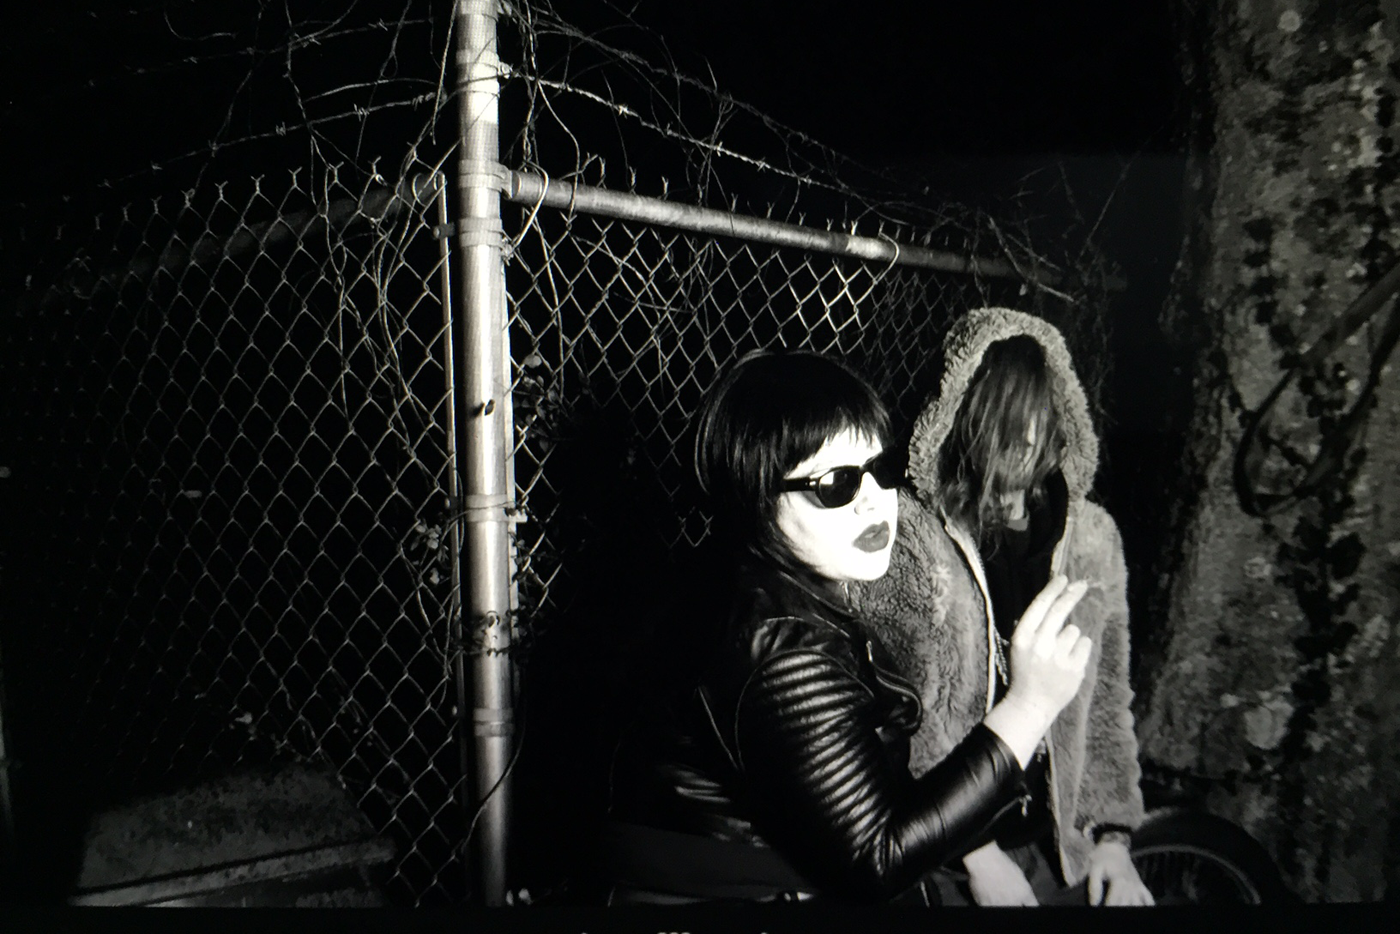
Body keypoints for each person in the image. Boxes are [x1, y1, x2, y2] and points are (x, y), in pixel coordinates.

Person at [597, 349, 1096, 904]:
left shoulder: (743, 577)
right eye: (836, 485)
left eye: (882, 469)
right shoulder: (783, 649)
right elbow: (876, 861)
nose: (873, 503)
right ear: (757, 497)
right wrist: (1029, 706)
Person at [850, 307, 1154, 906]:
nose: (1027, 438)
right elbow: (905, 715)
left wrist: (1112, 838)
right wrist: (977, 855)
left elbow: (1106, 699)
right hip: (942, 851)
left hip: (1054, 843)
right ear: (963, 413)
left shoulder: (1092, 539)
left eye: (1040, 414)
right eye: (1008, 417)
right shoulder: (912, 539)